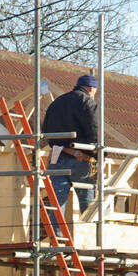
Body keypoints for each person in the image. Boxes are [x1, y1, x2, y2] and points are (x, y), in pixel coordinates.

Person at [39, 74, 100, 213]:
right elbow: (95, 130)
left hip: (58, 157)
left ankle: (55, 233)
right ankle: (89, 233)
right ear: (91, 88)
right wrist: (98, 154)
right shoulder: (88, 102)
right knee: (88, 205)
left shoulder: (57, 102)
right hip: (81, 160)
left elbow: (46, 130)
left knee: (56, 204)